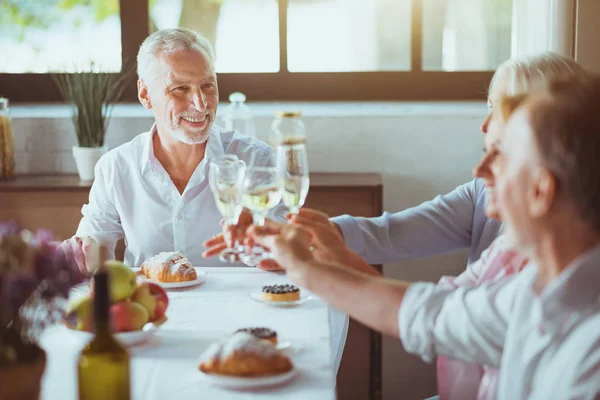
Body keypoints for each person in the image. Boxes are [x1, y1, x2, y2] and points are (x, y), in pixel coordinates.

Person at [248, 75, 600, 399]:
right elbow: (425, 313)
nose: (480, 171)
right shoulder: (536, 292)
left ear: (541, 192)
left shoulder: (590, 357)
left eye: (503, 155)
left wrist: (308, 264)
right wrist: (307, 265)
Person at [203, 52, 584, 273]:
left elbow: (440, 317)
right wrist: (285, 237)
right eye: (486, 108)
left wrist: (309, 260)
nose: (483, 125)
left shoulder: (569, 240)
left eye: (496, 111)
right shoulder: (481, 195)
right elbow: (389, 233)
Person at [58, 28, 282, 273]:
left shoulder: (257, 160)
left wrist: (257, 243)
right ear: (145, 95)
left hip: (237, 309)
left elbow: (286, 260)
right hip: (147, 308)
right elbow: (91, 252)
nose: (201, 104)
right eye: (180, 89)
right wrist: (79, 255)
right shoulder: (116, 167)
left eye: (207, 85)